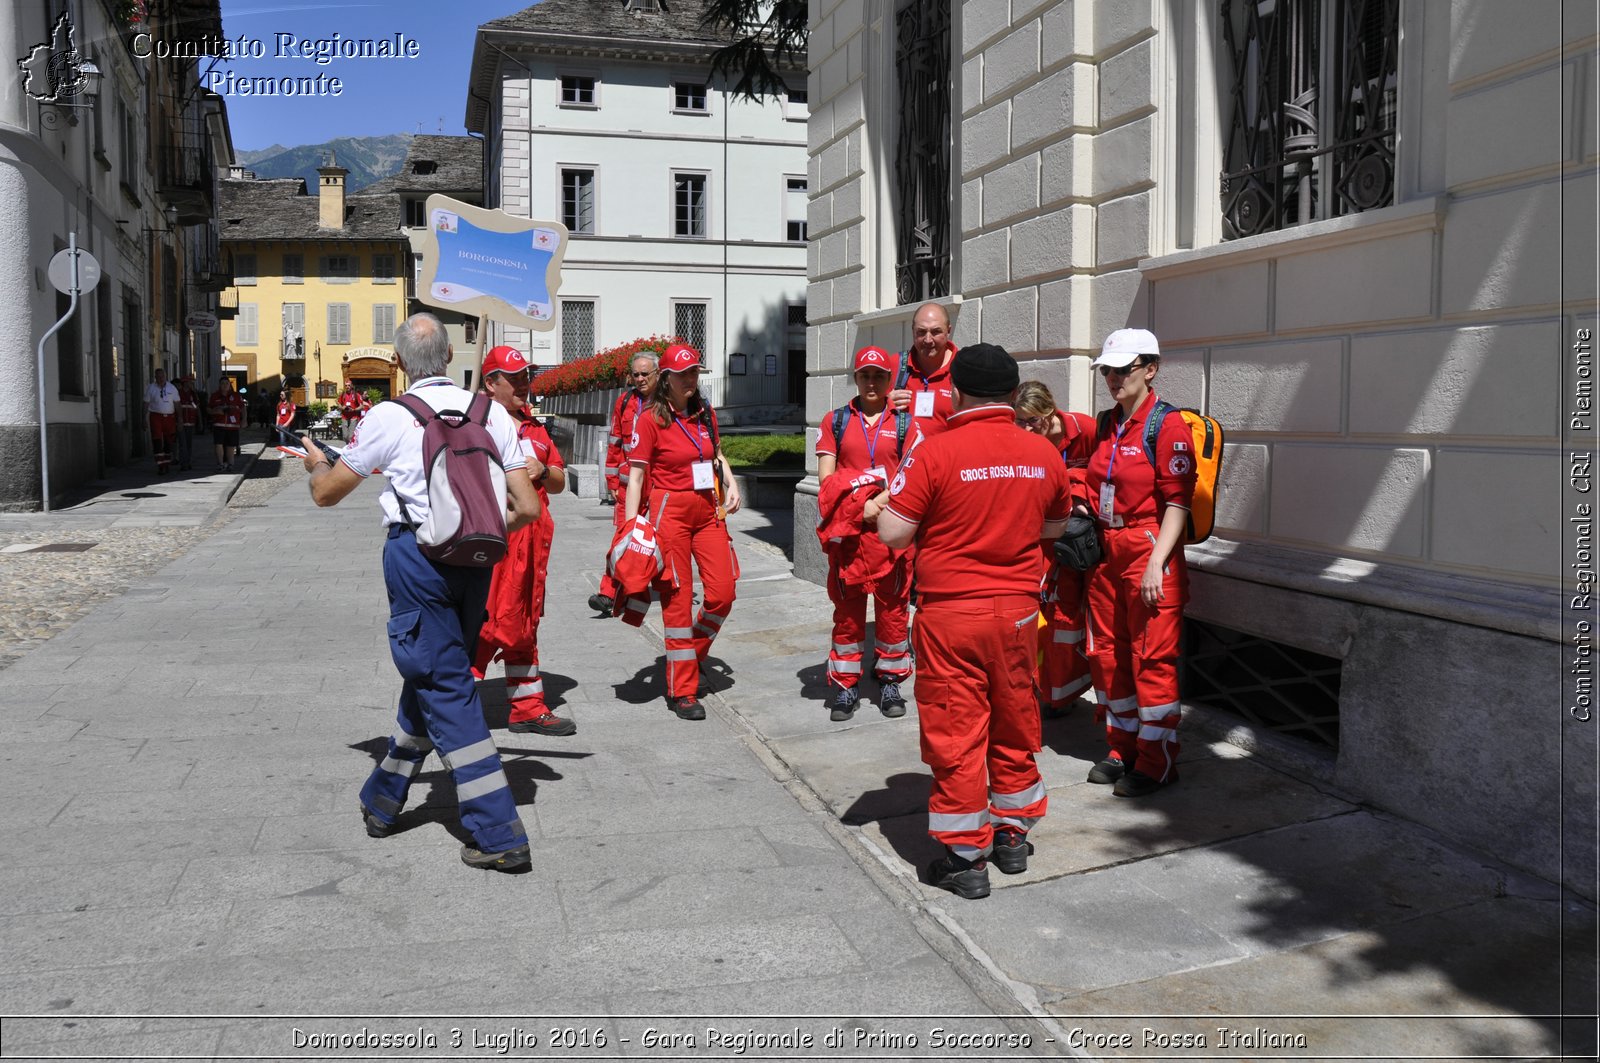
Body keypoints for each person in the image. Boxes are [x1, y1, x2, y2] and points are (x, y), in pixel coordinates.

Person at [299, 312, 542, 872]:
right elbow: (528, 506)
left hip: (417, 559)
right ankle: (383, 798)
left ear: (401, 363)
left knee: (445, 682)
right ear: (451, 356)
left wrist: (318, 464)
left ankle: (498, 830)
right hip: (477, 560)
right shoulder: (491, 413)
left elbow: (326, 495)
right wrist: (480, 530)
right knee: (433, 671)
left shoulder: (389, 415)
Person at [877, 343, 1072, 900]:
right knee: (1014, 722)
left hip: (951, 616)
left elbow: (893, 534)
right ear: (1014, 393)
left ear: (956, 392)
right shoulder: (1044, 454)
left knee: (958, 734)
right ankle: (1012, 837)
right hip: (1016, 613)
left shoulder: (933, 451)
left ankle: (966, 859)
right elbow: (1055, 530)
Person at [1080, 328, 1196, 798]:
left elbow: (1178, 502)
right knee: (1109, 655)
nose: (1112, 378)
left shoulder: (1167, 425)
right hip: (1109, 550)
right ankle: (1122, 747)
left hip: (1149, 549)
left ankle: (1157, 759)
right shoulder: (1108, 422)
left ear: (1150, 369)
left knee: (1151, 659)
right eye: (1107, 370)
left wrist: (1155, 563)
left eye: (1122, 369)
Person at [624, 343, 742, 721]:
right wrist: (629, 529)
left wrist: (731, 481)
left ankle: (687, 656)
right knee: (678, 598)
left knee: (723, 593)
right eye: (684, 374)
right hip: (668, 511)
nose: (691, 379)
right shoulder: (649, 419)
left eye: (695, 372)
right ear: (667, 379)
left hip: (708, 509)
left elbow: (716, 454)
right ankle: (683, 690)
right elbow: (637, 477)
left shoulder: (705, 413)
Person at [471, 345, 576, 737]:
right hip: (497, 539)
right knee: (485, 623)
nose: (522, 385)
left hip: (533, 545)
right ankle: (450, 711)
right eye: (512, 379)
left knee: (525, 622)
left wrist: (542, 469)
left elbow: (561, 482)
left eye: (524, 377)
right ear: (490, 384)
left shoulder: (535, 427)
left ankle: (527, 708)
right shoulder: (477, 426)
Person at [815, 345, 912, 721]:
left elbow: (913, 473)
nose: (871, 382)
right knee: (849, 614)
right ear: (855, 378)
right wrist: (863, 507)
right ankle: (845, 686)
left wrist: (880, 502)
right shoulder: (835, 421)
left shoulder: (904, 423)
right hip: (851, 536)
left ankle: (890, 680)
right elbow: (826, 481)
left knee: (893, 612)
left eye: (879, 376)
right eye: (865, 375)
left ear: (889, 380)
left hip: (891, 534)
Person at [1013, 381, 1098, 718]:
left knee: (1067, 615)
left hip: (1077, 536)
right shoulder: (1020, 438)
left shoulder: (1085, 429)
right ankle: (1040, 687)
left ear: (1051, 411)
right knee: (1039, 612)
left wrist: (1076, 488)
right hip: (1040, 534)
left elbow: (1103, 471)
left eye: (1033, 420)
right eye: (1020, 420)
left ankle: (1061, 692)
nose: (1027, 428)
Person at [591, 352, 658, 614]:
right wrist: (610, 478)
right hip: (629, 483)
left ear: (658, 374)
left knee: (663, 537)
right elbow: (615, 442)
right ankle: (608, 593)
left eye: (645, 374)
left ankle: (643, 585)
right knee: (623, 537)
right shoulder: (625, 401)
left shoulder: (667, 402)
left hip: (660, 481)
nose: (639, 379)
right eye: (635, 374)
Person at [887, 302, 958, 443]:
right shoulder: (895, 365)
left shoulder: (963, 368)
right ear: (913, 331)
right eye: (921, 332)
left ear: (948, 331)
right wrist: (884, 404)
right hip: (903, 461)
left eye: (936, 331)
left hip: (946, 461)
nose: (928, 340)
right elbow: (866, 416)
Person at [144, 367, 179, 475]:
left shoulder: (172, 388)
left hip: (169, 418)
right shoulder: (151, 388)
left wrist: (180, 419)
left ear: (166, 376)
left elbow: (177, 404)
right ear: (155, 377)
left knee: (169, 441)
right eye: (158, 376)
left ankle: (167, 463)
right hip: (156, 417)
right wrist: (143, 419)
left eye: (162, 376)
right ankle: (160, 465)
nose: (160, 378)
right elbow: (145, 404)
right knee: (157, 441)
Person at [208, 377, 245, 472]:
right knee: (218, 444)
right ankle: (220, 464)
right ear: (219, 385)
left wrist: (244, 420)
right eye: (222, 383)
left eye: (226, 383)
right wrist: (214, 411)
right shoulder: (215, 396)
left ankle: (230, 464)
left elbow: (243, 408)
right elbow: (208, 409)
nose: (224, 385)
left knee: (230, 446)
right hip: (219, 425)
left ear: (230, 385)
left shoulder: (236, 396)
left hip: (232, 426)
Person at [175, 375, 201, 471]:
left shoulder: (193, 394)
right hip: (181, 423)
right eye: (190, 382)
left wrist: (200, 422)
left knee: (189, 444)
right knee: (182, 444)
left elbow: (197, 408)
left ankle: (188, 461)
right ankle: (183, 463)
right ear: (185, 383)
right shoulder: (178, 393)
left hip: (190, 423)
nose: (191, 384)